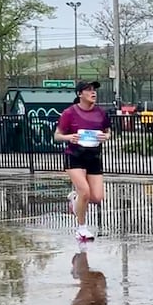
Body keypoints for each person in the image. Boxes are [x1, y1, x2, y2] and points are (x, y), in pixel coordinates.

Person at [54, 80, 112, 242]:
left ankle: (75, 199)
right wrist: (68, 137)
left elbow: (108, 132)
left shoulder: (101, 113)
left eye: (94, 90)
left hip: (93, 156)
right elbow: (57, 136)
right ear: (80, 94)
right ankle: (81, 229)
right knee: (84, 191)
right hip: (74, 156)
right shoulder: (69, 113)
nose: (93, 93)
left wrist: (105, 137)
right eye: (88, 90)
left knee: (97, 197)